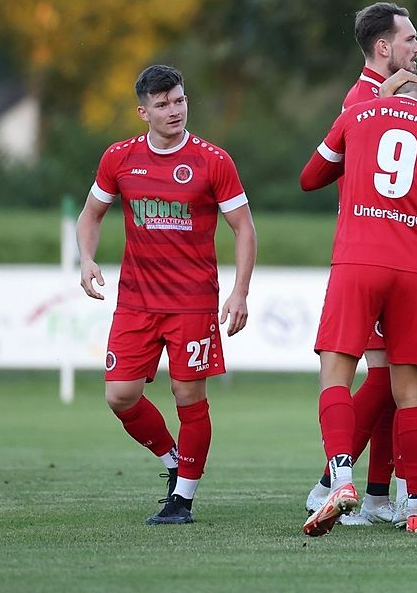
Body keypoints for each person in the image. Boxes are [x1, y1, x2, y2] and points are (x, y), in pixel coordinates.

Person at [76, 64, 257, 525]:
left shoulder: (213, 160)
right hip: (136, 300)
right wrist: (87, 257)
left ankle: (184, 499)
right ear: (143, 112)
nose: (174, 110)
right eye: (163, 104)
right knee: (120, 396)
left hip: (193, 302)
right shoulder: (119, 158)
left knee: (188, 397)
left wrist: (239, 292)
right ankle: (174, 461)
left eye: (179, 100)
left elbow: (244, 230)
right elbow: (91, 215)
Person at [300, 80, 417, 536]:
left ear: (387, 96)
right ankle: (415, 507)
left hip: (357, 260)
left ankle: (340, 479)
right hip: (413, 270)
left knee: (336, 373)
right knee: (411, 392)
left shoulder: (358, 115)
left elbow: (310, 178)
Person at [305, 1, 417, 525]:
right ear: (384, 47)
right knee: (384, 379)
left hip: (382, 259)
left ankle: (372, 493)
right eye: (410, 39)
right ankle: (333, 480)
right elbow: (318, 174)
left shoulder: (376, 100)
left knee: (387, 381)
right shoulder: (363, 101)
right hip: (379, 256)